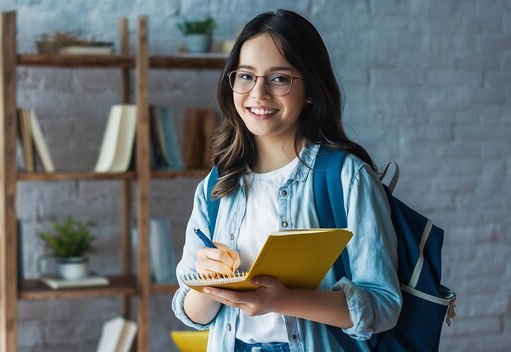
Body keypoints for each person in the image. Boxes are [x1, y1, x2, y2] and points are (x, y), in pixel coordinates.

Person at [172, 9, 402, 352]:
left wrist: (284, 300)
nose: (258, 93)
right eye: (246, 76)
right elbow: (193, 314)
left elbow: (383, 307)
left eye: (279, 78)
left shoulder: (346, 177)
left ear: (310, 89)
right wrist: (207, 284)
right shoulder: (216, 186)